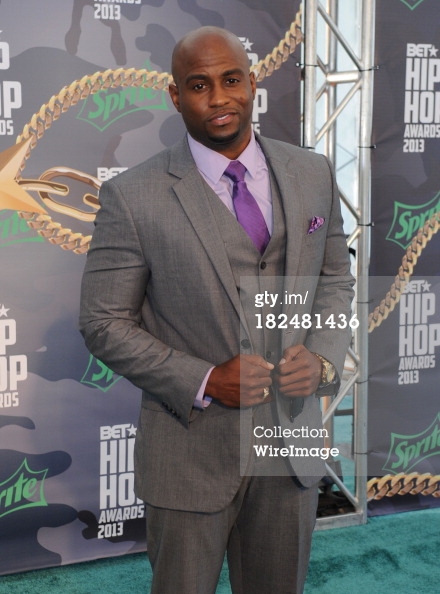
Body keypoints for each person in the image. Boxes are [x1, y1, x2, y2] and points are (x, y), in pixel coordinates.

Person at [80, 26, 354, 594]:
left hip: (290, 447)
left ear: (252, 84)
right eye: (200, 85)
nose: (220, 97)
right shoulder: (133, 196)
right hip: (190, 453)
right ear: (176, 96)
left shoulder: (313, 173)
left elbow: (334, 278)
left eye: (231, 80)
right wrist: (205, 380)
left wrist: (323, 361)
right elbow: (103, 322)